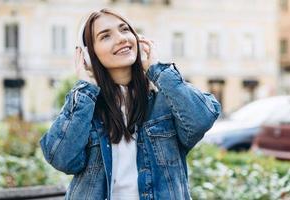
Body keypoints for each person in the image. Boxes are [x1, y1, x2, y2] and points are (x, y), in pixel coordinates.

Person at [40, 8, 221, 200]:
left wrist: (157, 69)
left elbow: (201, 119)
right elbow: (62, 159)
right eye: (105, 36)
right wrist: (85, 88)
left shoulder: (166, 98)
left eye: (125, 29)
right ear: (87, 55)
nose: (121, 38)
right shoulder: (85, 107)